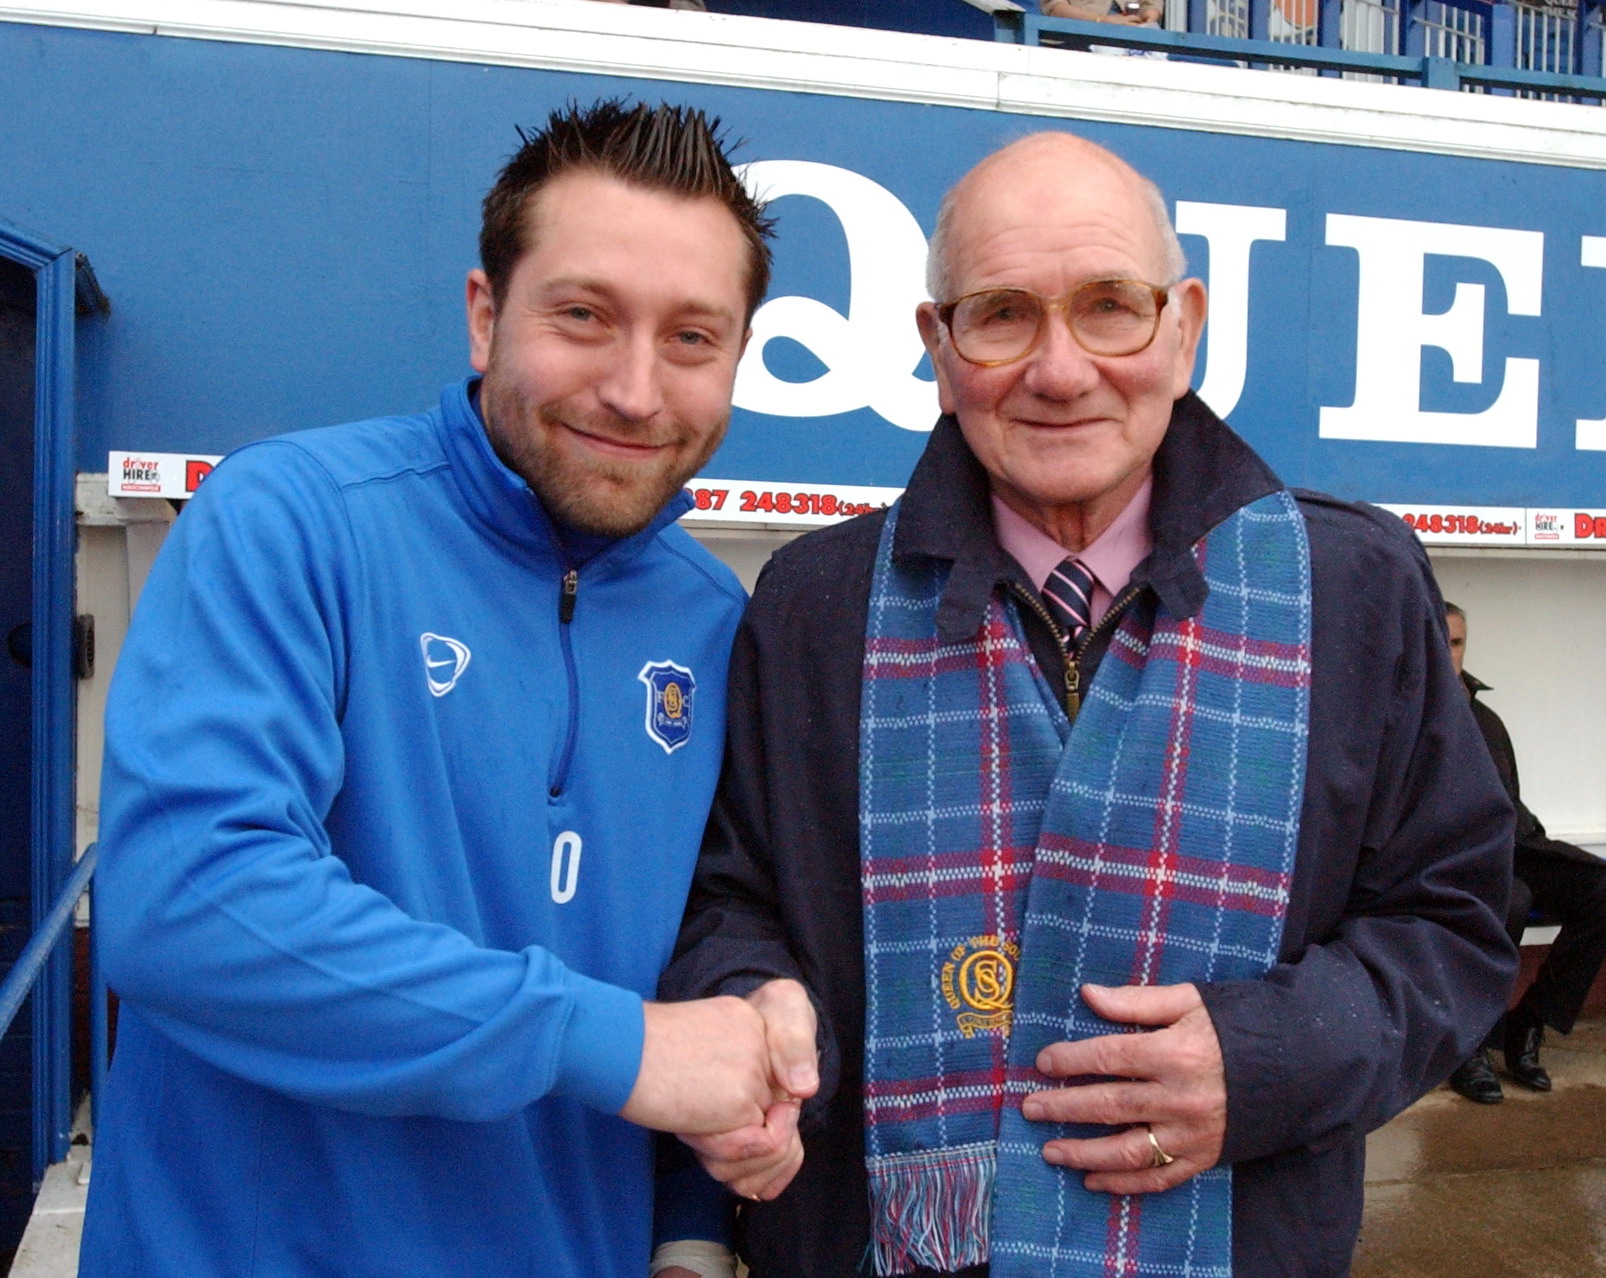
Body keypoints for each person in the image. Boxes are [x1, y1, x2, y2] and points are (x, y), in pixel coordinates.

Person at [660, 131, 1516, 1278]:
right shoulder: (814, 606)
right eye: (1002, 315)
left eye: (1110, 306)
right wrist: (749, 999)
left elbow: (1453, 921)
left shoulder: (1350, 591)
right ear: (938, 347)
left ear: (1184, 328)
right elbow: (728, 899)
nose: (1060, 371)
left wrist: (1269, 1060)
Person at [80, 100, 813, 1278]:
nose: (635, 390)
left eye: (691, 338)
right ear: (484, 316)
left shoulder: (712, 618)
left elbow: (688, 957)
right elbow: (188, 904)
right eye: (583, 317)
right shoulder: (293, 520)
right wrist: (612, 1043)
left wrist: (688, 1224)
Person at [1443, 600, 1606, 1103]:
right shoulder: (1403, 714)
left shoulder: (1486, 718)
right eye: (1438, 639)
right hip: (1450, 859)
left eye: (1457, 642)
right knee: (1510, 899)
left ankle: (1530, 1021)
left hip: (1513, 845)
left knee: (1600, 887)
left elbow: (1511, 800)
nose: (1448, 652)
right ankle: (1469, 1046)